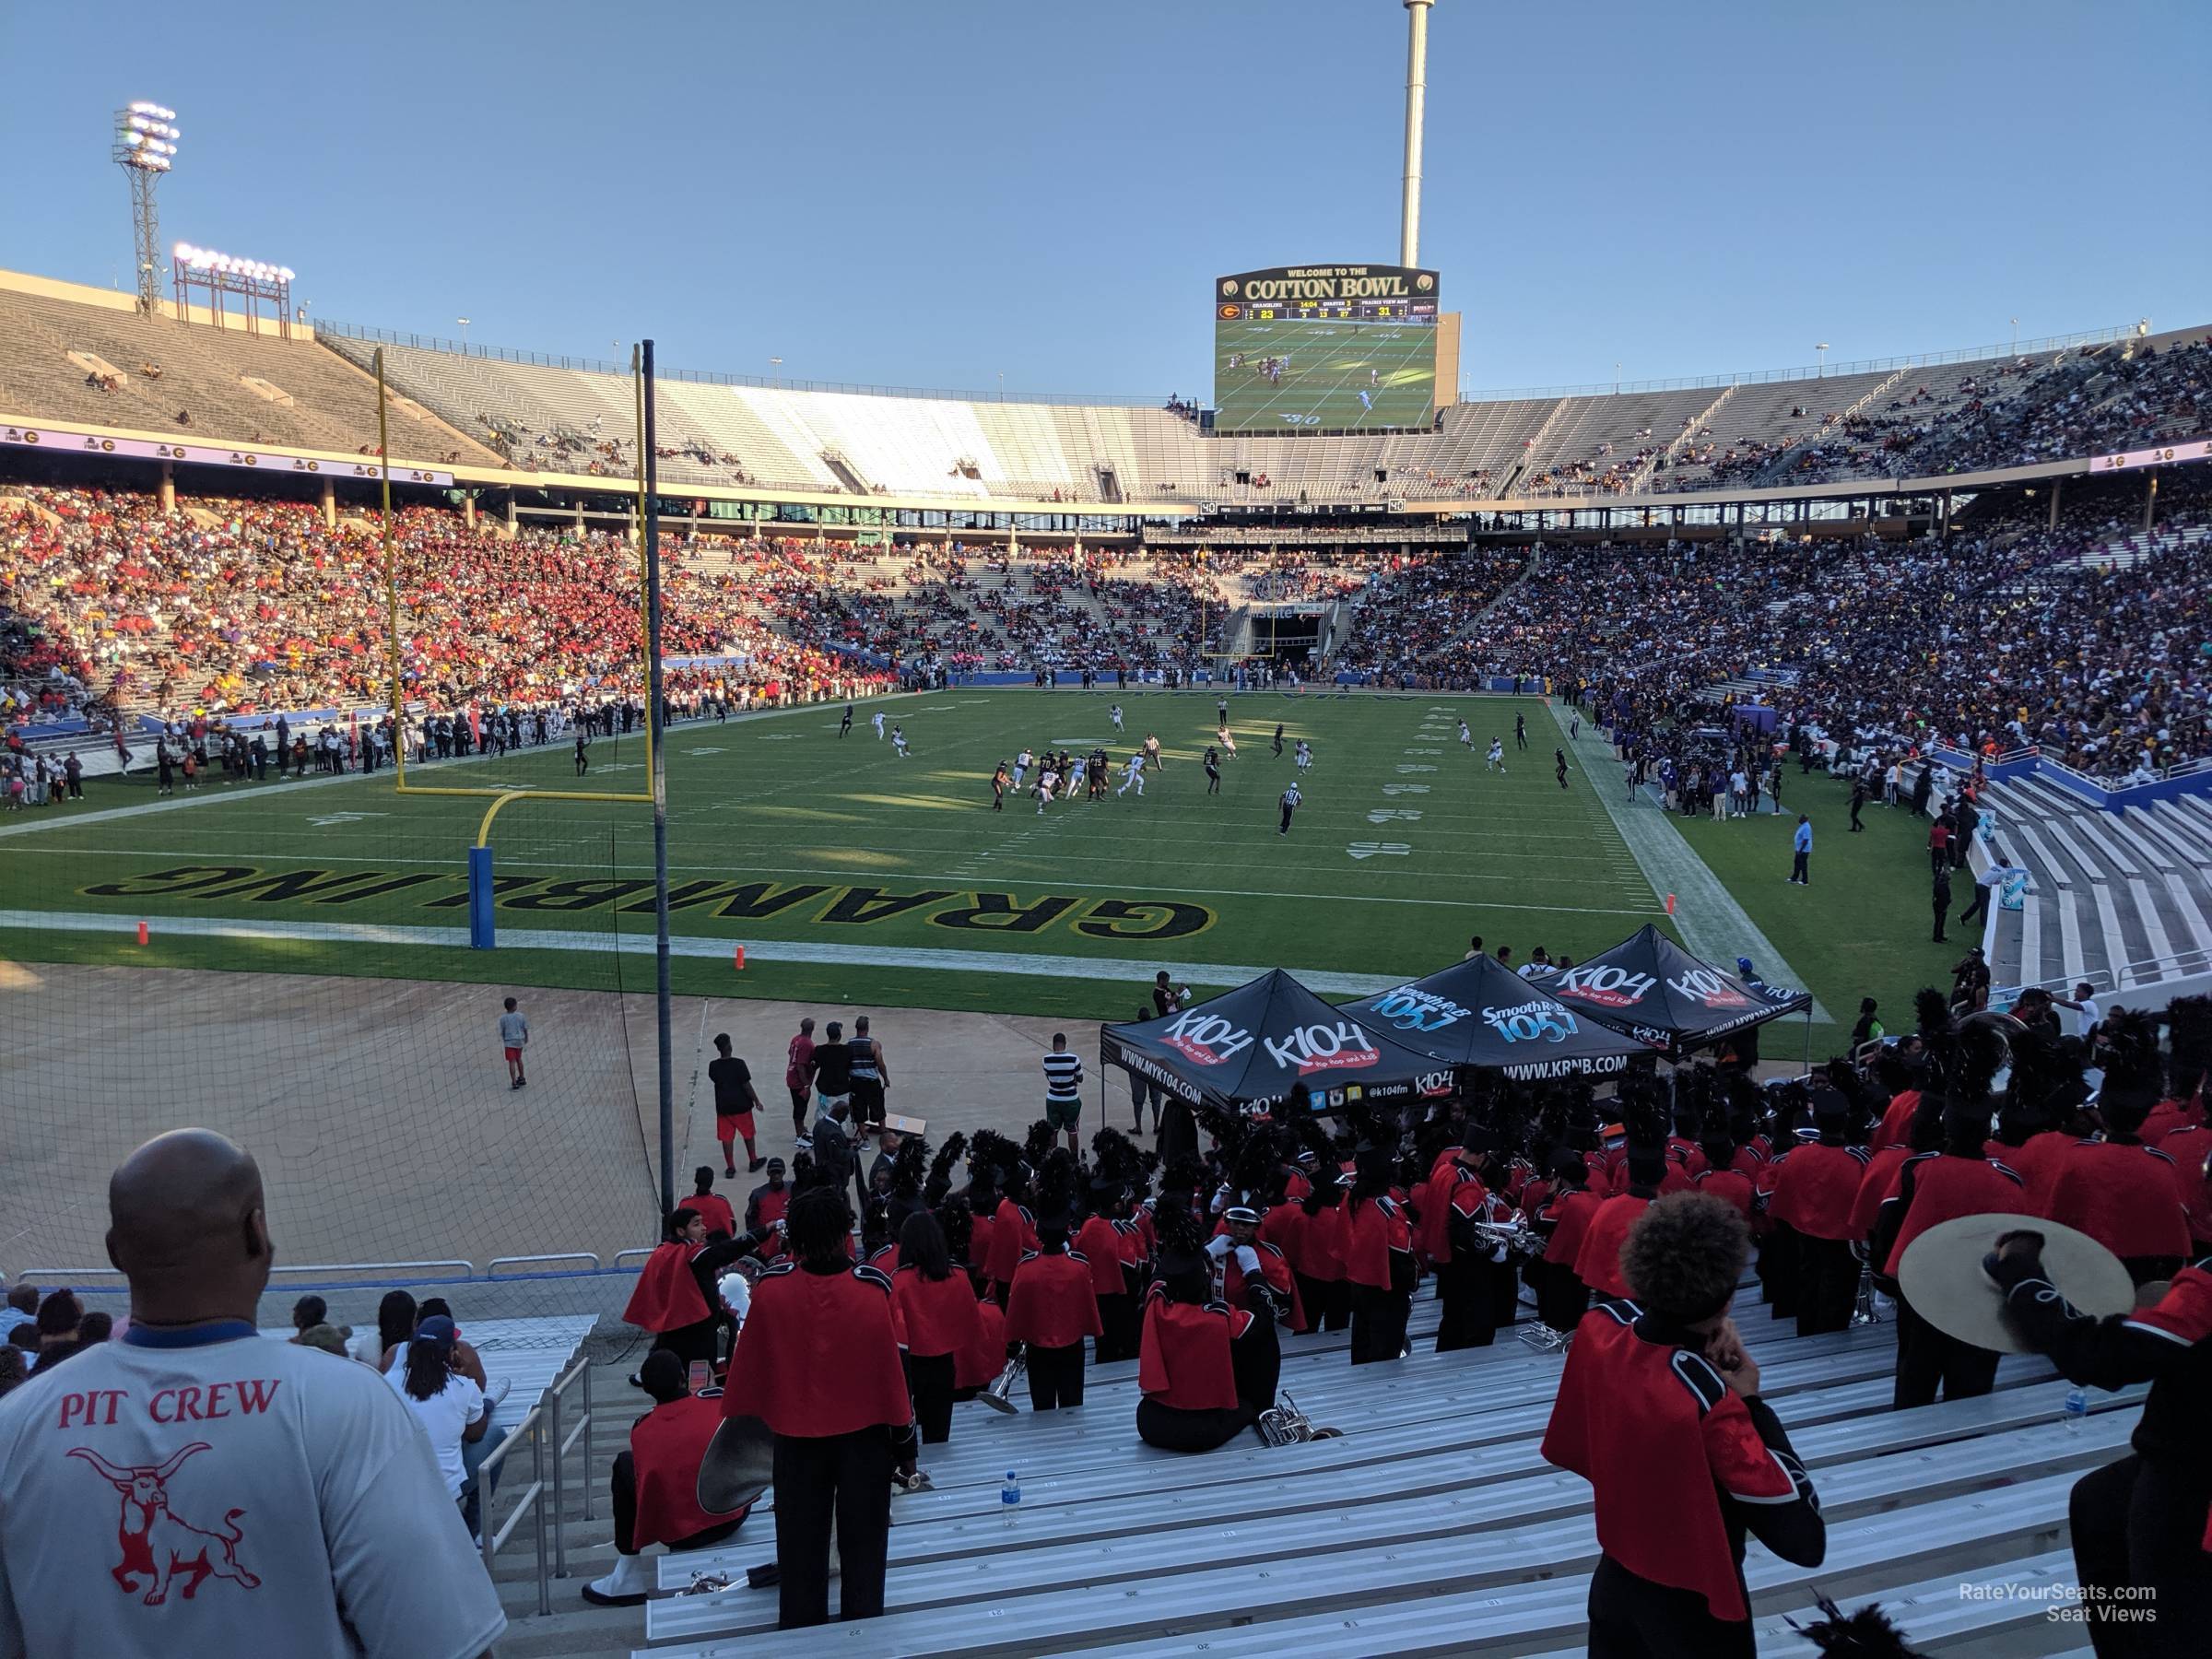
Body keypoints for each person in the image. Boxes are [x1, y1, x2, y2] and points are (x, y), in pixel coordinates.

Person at [0, 1129, 505, 1657]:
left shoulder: (16, 1426)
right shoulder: (349, 1405)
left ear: (114, 1252)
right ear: (257, 1233)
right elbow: (448, 1642)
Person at [1542, 1194, 1825, 1659]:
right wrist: (1752, 1402)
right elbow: (1804, 1540)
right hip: (1693, 1611)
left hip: (1614, 1582)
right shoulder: (1710, 1403)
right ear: (1729, 1297)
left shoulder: (1597, 1329)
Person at [721, 1183, 916, 1630]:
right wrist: (906, 1447)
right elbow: (895, 1377)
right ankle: (862, 1632)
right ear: (845, 1232)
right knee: (864, 1550)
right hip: (865, 1442)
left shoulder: (770, 1291)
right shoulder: (873, 1289)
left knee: (799, 1551)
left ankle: (802, 1635)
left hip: (796, 1443)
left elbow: (750, 1376)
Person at [582, 1349, 750, 1606]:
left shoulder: (643, 1429)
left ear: (646, 1390)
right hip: (733, 1517)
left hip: (683, 1535)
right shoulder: (716, 1404)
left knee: (624, 1463)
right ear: (683, 1377)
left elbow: (647, 1485)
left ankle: (628, 1572)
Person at [389, 1316, 489, 1530]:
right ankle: (474, 1529)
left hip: (396, 1488)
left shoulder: (387, 1382)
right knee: (495, 1434)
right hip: (446, 1489)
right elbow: (476, 1434)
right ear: (452, 1352)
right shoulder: (463, 1387)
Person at [890, 1211, 979, 1444]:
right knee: (939, 1436)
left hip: (911, 1366)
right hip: (944, 1364)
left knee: (908, 1435)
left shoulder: (899, 1281)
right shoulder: (957, 1276)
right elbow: (971, 1323)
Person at [1004, 1218, 1102, 1411]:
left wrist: (1013, 1344)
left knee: (1042, 1408)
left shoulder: (1026, 1268)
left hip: (1038, 1348)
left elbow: (1016, 1310)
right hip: (1072, 1345)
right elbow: (1087, 1306)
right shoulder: (1079, 1266)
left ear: (1039, 1235)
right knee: (1073, 1406)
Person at [710, 1033, 765, 1175]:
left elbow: (715, 1079)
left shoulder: (713, 1066)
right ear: (729, 1046)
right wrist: (756, 1101)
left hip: (723, 1108)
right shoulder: (739, 1064)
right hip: (742, 1107)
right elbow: (746, 1085)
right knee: (748, 1134)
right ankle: (753, 1161)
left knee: (726, 1138)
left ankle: (730, 1167)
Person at [1042, 1032, 1084, 1152]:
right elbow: (1080, 1078)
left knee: (1052, 1130)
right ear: (1065, 1044)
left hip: (1053, 1099)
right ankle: (1074, 1158)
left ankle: (1051, 1156)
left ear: (1053, 1045)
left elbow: (1049, 1077)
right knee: (1072, 1130)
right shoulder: (1074, 1059)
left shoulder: (1046, 1060)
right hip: (1071, 1100)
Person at [848, 1016, 888, 1132]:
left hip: (856, 1082)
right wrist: (886, 1079)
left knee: (859, 1109)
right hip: (872, 1082)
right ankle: (883, 1131)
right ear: (867, 1028)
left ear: (856, 1028)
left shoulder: (849, 1044)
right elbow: (880, 1064)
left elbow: (846, 1064)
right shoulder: (874, 1044)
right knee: (878, 1107)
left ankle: (864, 1136)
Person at [784, 1018, 817, 1139]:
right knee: (800, 1107)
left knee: (800, 1105)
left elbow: (790, 1053)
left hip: (791, 1076)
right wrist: (806, 1085)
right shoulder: (807, 1043)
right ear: (812, 1029)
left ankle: (801, 1128)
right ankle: (799, 1135)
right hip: (799, 1081)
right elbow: (800, 1066)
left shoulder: (796, 1039)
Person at [687, 1167, 738, 1239]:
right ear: (711, 1182)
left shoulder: (685, 1204)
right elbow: (732, 1227)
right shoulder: (721, 1202)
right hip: (718, 1244)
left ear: (696, 1180)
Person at [499, 995, 529, 1090]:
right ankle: (522, 1078)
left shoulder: (503, 1018)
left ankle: (514, 1082)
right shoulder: (521, 1016)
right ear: (515, 1006)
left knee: (512, 1062)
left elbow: (503, 1031)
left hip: (509, 1042)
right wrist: (526, 1038)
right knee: (519, 1058)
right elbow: (525, 1028)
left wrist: (504, 1039)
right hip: (519, 1040)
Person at [1932, 863, 1953, 942]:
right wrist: (1947, 903)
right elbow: (1943, 897)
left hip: (1939, 904)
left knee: (1940, 920)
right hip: (1940, 905)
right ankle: (1937, 937)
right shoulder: (1943, 885)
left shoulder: (1940, 883)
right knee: (1939, 921)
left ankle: (1940, 935)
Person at [1788, 815, 1812, 885]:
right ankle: (1794, 878)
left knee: (1803, 864)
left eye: (1800, 819)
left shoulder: (1806, 827)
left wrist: (1800, 850)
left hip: (1804, 850)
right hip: (1799, 848)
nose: (1799, 820)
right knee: (1797, 862)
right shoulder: (1803, 825)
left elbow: (1806, 840)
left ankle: (1805, 881)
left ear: (1804, 819)